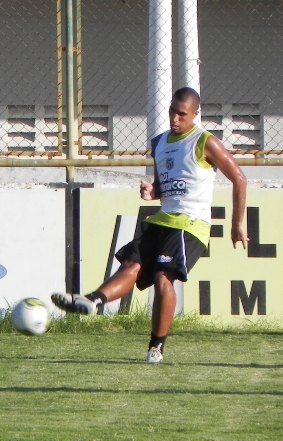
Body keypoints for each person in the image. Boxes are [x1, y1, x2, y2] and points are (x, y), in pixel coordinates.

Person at [51, 87, 248, 363]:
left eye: (182, 114)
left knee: (162, 277)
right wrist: (152, 191)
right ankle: (93, 301)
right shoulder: (160, 143)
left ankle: (157, 347)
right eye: (172, 111)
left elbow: (239, 178)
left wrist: (237, 223)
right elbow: (162, 187)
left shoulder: (205, 142)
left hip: (190, 224)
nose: (175, 119)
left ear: (195, 114)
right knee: (130, 265)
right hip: (162, 219)